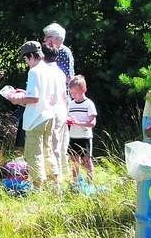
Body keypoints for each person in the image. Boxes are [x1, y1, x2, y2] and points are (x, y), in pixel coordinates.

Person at [7, 41, 64, 188]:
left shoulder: (34, 71)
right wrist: (24, 93)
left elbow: (34, 98)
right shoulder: (50, 69)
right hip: (49, 115)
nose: (26, 62)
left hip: (35, 118)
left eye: (26, 59)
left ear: (32, 55)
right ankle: (55, 184)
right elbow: (44, 95)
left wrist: (16, 98)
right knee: (48, 151)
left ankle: (37, 188)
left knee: (34, 154)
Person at [43, 22, 74, 177]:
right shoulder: (46, 53)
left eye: (47, 37)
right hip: (50, 100)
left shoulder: (64, 52)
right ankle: (56, 171)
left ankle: (58, 173)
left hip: (60, 100)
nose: (44, 39)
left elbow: (69, 77)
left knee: (58, 138)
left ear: (56, 39)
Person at [66, 75, 97, 184]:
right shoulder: (70, 104)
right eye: (71, 93)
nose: (73, 95)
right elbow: (68, 117)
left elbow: (92, 123)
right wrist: (68, 120)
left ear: (83, 90)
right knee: (74, 162)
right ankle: (75, 183)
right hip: (73, 137)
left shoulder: (89, 104)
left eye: (75, 93)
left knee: (87, 161)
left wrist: (77, 123)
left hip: (85, 137)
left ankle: (90, 183)